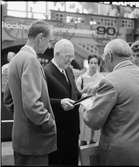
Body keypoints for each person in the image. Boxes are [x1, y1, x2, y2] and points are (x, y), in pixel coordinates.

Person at [81, 38, 139, 165]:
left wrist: (85, 106)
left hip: (121, 155)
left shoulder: (110, 80)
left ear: (109, 56)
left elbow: (93, 121)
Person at [3, 20, 57, 166]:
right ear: (40, 38)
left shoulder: (16, 59)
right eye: (49, 41)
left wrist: (21, 115)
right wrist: (49, 123)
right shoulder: (30, 60)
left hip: (21, 138)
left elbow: (8, 99)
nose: (50, 45)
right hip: (34, 141)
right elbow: (33, 104)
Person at [44, 39, 81, 165]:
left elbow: (74, 92)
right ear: (57, 54)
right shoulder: (46, 72)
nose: (71, 60)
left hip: (73, 130)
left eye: (72, 56)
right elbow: (41, 100)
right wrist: (59, 103)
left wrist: (85, 96)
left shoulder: (69, 69)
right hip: (58, 133)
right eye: (68, 56)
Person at [76, 55, 103, 145]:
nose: (93, 65)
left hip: (96, 107)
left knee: (94, 136)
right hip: (84, 107)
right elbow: (76, 93)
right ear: (88, 64)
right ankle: (83, 155)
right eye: (91, 62)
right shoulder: (82, 78)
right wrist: (82, 94)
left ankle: (92, 155)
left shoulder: (102, 79)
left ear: (98, 65)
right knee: (83, 135)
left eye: (95, 63)